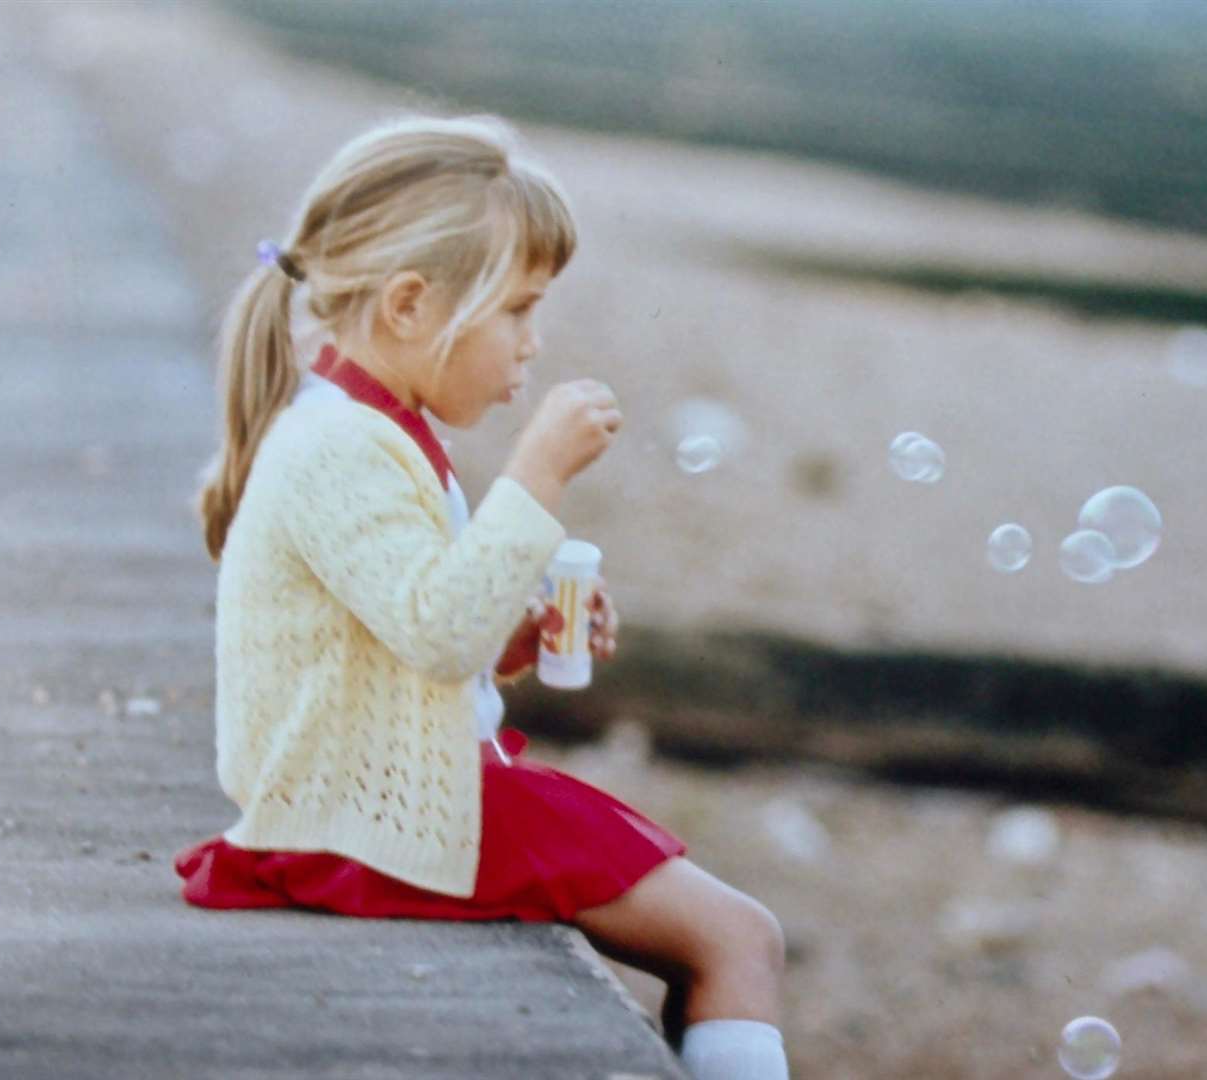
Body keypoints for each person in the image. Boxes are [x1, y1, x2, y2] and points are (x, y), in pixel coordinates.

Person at [173, 114, 788, 1080]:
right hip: (378, 830)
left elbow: (409, 626)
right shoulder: (339, 448)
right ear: (410, 305)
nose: (532, 346)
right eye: (517, 311)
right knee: (739, 941)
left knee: (728, 932)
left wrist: (521, 631)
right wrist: (537, 475)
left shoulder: (368, 428)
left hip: (372, 808)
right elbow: (433, 631)